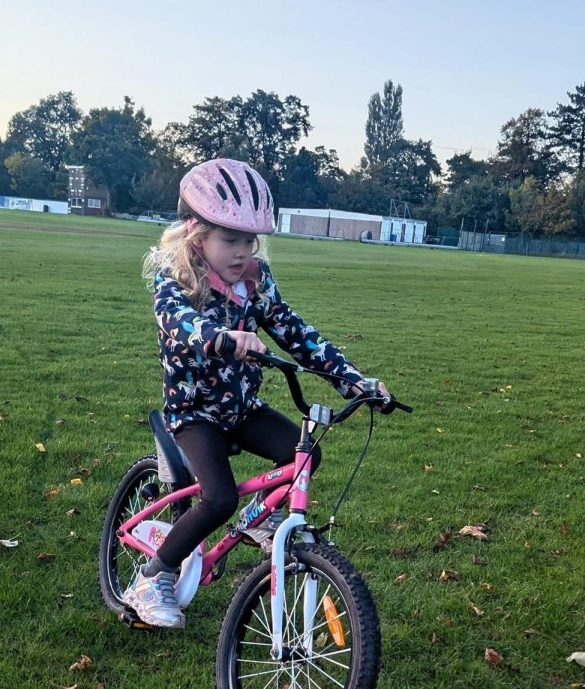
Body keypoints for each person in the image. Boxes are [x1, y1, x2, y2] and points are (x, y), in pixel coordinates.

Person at [124, 158, 389, 628]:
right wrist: (221, 337)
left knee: (303, 455)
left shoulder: (255, 281)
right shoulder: (176, 283)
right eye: (231, 239)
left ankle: (263, 522)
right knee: (218, 499)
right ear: (195, 235)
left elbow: (297, 333)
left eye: (250, 240)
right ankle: (153, 575)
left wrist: (355, 380)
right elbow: (179, 324)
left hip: (242, 407)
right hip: (196, 412)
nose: (243, 251)